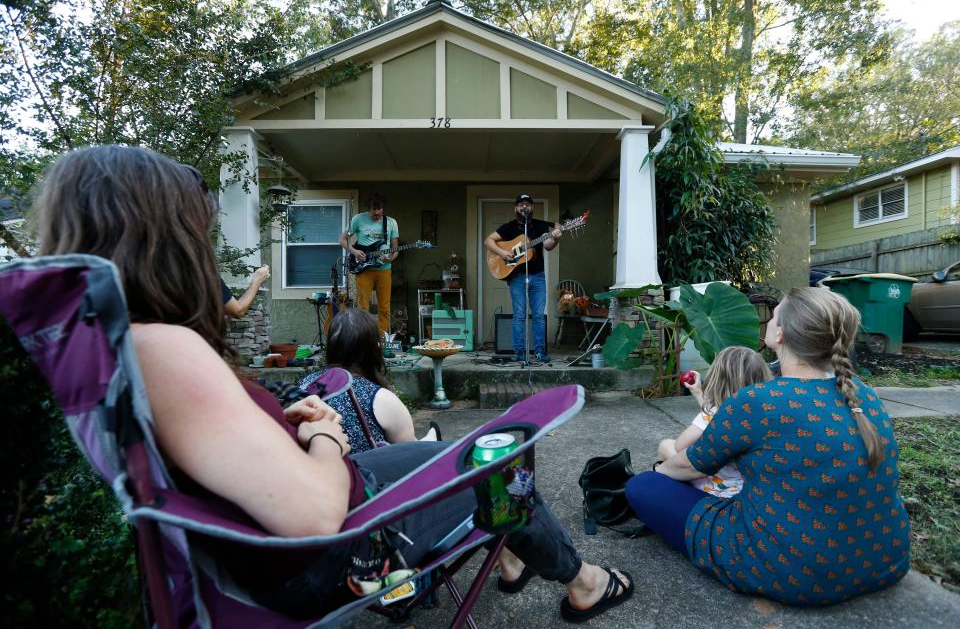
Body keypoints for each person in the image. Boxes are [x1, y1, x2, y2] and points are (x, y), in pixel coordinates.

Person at [35, 145, 634, 623]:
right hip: (338, 549)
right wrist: (327, 435)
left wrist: (283, 426)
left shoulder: (118, 349)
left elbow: (227, 463)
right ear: (162, 238)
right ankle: (583, 583)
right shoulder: (167, 350)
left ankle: (511, 560)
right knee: (498, 466)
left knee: (443, 454)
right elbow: (318, 515)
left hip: (302, 531)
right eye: (195, 229)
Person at [625, 287, 910, 606]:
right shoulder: (863, 395)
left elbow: (689, 464)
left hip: (796, 574)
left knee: (644, 486)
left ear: (781, 334)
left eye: (773, 317)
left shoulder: (757, 402)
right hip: (885, 560)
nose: (769, 322)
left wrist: (660, 471)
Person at [299, 308, 439, 453]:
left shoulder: (305, 386)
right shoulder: (381, 398)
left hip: (311, 471)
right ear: (375, 348)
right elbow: (409, 455)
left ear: (331, 348)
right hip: (361, 473)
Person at [657, 346, 772, 499]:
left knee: (666, 445)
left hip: (716, 488)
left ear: (718, 379)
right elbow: (715, 420)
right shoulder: (765, 413)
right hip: (747, 488)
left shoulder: (713, 413)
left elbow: (680, 446)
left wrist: (706, 411)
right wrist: (699, 394)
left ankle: (661, 490)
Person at [483, 193, 561, 363]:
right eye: (520, 205)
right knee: (519, 315)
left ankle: (540, 352)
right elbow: (488, 241)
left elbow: (547, 246)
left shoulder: (540, 226)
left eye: (527, 204)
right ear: (516, 208)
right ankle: (520, 352)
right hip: (517, 276)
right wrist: (503, 252)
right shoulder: (509, 227)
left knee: (539, 315)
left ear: (532, 207)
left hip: (538, 277)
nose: (524, 207)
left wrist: (555, 238)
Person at [340, 193, 398, 336]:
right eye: (374, 212)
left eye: (380, 212)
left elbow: (395, 249)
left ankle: (382, 338)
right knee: (363, 306)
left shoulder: (391, 222)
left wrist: (391, 258)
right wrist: (355, 252)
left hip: (384, 270)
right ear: (369, 209)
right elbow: (342, 240)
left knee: (384, 306)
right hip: (364, 269)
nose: (377, 215)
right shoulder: (358, 219)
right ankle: (364, 336)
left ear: (383, 209)